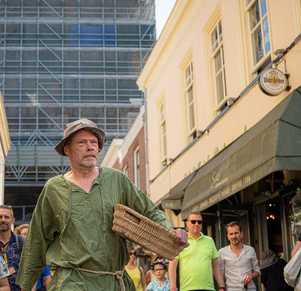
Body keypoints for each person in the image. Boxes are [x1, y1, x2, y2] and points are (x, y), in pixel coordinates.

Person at [15, 119, 188, 291]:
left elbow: (150, 211)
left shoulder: (116, 179)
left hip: (113, 282)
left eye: (94, 142)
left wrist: (169, 230)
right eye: (82, 142)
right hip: (72, 283)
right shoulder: (53, 189)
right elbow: (36, 241)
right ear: (67, 149)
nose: (90, 147)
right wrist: (25, 286)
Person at [169, 212, 225, 291]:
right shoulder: (181, 241)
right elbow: (172, 266)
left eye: (199, 222)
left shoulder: (209, 240)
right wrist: (173, 287)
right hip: (187, 289)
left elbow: (216, 265)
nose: (196, 224)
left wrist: (222, 287)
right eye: (193, 221)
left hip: (208, 288)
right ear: (187, 223)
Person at [218, 221, 260, 291]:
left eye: (236, 233)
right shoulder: (222, 252)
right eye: (231, 234)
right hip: (231, 289)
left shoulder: (250, 250)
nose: (234, 236)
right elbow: (220, 274)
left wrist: (251, 276)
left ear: (241, 234)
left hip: (250, 289)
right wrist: (221, 288)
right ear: (228, 236)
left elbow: (257, 271)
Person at [0, 205, 25, 291]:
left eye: (7, 217)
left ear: (13, 220)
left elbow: (30, 268)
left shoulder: (21, 242)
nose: (3, 220)